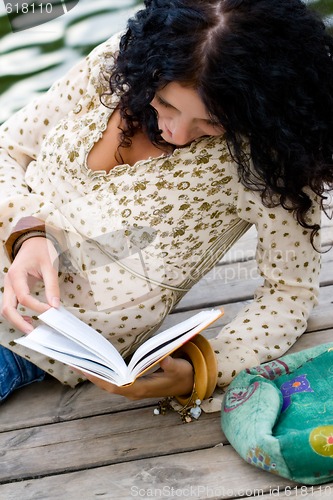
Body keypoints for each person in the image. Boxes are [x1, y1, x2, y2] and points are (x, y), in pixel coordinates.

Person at [0, 0, 332, 415]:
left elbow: (289, 295)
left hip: (26, 341)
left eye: (210, 123)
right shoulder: (118, 65)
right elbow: (8, 148)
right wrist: (28, 232)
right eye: (166, 103)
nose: (175, 132)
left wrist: (204, 369)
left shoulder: (270, 162)